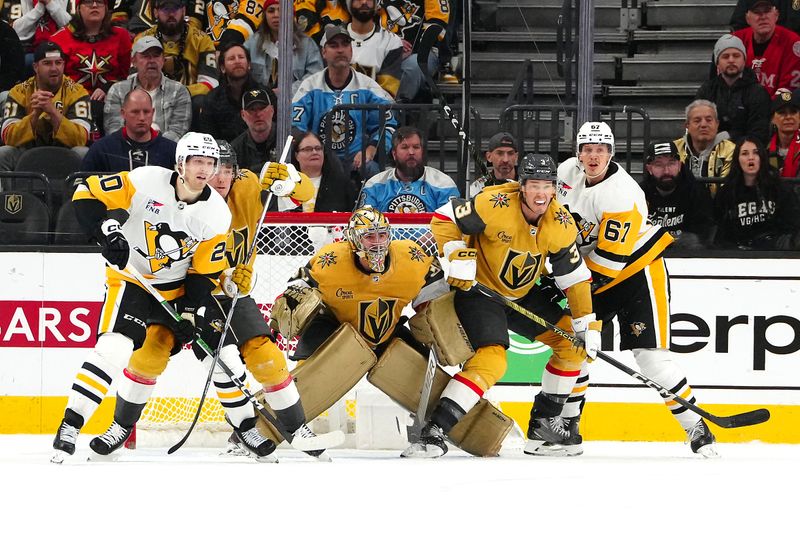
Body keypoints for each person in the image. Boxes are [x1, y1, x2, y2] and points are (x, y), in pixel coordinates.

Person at [126, 141, 319, 460]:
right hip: (184, 291)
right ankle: (120, 427)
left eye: (226, 170)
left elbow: (305, 193)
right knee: (157, 353)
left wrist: (289, 179)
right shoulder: (185, 197)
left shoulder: (249, 187)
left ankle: (297, 428)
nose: (218, 177)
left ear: (236, 172)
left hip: (231, 296)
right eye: (212, 169)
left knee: (264, 355)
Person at [51, 132, 232, 461]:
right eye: (197, 161)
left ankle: (121, 426)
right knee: (115, 347)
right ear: (180, 163)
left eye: (210, 162)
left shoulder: (217, 214)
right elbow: (85, 192)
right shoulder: (146, 179)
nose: (204, 169)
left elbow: (203, 272)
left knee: (152, 358)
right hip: (131, 278)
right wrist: (105, 231)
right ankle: (71, 424)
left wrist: (190, 311)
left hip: (176, 289)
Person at [406, 154, 600, 458]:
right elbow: (444, 218)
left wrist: (585, 322)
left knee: (572, 346)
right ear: (521, 186)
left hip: (522, 294)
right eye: (534, 185)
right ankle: (434, 431)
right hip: (479, 290)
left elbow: (574, 278)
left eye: (547, 186)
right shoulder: (493, 203)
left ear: (554, 189)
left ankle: (542, 429)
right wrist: (456, 253)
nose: (540, 194)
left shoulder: (561, 223)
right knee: (493, 361)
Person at [556, 121, 718, 458]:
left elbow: (609, 262)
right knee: (576, 346)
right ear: (578, 152)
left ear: (611, 153)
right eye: (587, 148)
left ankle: (695, 426)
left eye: (600, 149)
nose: (593, 156)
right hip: (590, 270)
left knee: (650, 358)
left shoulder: (622, 195)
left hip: (635, 273)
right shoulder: (566, 172)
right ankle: (568, 426)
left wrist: (565, 284)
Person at [292, 24, 397, 179]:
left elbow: (388, 125)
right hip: (318, 161)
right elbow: (295, 127)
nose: (340, 50)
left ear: (351, 50)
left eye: (345, 44)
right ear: (324, 52)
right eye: (334, 45)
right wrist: (313, 153)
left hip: (357, 162)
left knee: (373, 170)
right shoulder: (309, 87)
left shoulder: (368, 86)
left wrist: (370, 150)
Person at [0, 41, 90, 171]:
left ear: (64, 65)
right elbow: (9, 138)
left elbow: (80, 139)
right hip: (27, 151)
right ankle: (10, 192)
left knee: (83, 153)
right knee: (3, 153)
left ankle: (79, 191)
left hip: (65, 152)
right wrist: (35, 114)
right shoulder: (19, 92)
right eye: (47, 63)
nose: (54, 68)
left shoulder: (77, 92)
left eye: (58, 63)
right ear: (36, 67)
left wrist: (52, 112)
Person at [49, 0, 132, 135]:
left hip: (114, 100)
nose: (94, 5)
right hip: (72, 101)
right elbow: (53, 80)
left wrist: (108, 88)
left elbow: (126, 75)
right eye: (88, 2)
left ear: (106, 7)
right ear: (78, 8)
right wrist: (78, 94)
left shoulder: (121, 36)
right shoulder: (59, 39)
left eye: (99, 2)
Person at [134, 0, 219, 128]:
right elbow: (133, 80)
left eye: (176, 8)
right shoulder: (142, 39)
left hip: (190, 102)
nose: (171, 13)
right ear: (156, 12)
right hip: (151, 99)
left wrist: (177, 93)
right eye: (165, 8)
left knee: (201, 101)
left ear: (184, 11)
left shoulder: (202, 40)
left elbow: (210, 84)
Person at [714, 136, 800, 249]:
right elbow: (720, 235)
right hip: (738, 254)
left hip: (775, 251)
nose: (751, 158)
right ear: (737, 160)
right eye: (745, 153)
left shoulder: (780, 189)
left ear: (762, 157)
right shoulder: (726, 193)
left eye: (756, 153)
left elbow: (792, 226)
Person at [104, 36, 192, 143]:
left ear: (163, 60)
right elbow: (113, 130)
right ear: (134, 61)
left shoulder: (179, 91)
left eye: (156, 56)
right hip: (125, 151)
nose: (151, 61)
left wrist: (153, 148)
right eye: (145, 56)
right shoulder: (117, 90)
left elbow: (178, 132)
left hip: (165, 152)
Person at [358, 126, 459, 213]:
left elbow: (449, 225)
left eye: (416, 147)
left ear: (422, 151)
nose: (411, 152)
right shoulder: (374, 185)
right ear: (394, 154)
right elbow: (365, 224)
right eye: (405, 147)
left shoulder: (443, 184)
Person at [640, 141, 716, 249]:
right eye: (658, 165)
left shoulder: (697, 192)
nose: (666, 171)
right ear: (649, 169)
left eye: (671, 163)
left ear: (679, 165)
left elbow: (703, 235)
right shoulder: (639, 194)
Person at [696, 34, 770, 144]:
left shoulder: (758, 92)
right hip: (711, 151)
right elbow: (697, 125)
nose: (731, 60)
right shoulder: (707, 90)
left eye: (736, 56)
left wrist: (729, 137)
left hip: (746, 154)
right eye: (725, 56)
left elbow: (759, 133)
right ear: (717, 62)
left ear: (744, 60)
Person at [81, 88, 177, 172]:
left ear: (152, 113)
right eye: (135, 112)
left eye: (146, 112)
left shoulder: (172, 150)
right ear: (123, 113)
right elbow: (81, 186)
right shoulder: (102, 149)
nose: (142, 117)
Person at [243, 0, 323, 96]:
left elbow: (315, 76)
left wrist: (287, 91)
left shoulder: (307, 44)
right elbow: (241, 73)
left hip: (296, 102)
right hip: (258, 103)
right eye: (271, 11)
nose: (276, 15)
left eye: (281, 10)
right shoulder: (252, 42)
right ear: (265, 16)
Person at [380, 0, 450, 103]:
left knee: (412, 67)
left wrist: (412, 49)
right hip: (379, 48)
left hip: (420, 51)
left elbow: (436, 27)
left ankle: (393, 111)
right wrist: (391, 43)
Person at [198, 42, 267, 142]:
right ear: (222, 68)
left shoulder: (265, 95)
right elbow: (208, 137)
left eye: (241, 57)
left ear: (249, 65)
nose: (237, 61)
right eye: (231, 58)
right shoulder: (212, 99)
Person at [732, 0, 800, 96]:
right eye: (757, 12)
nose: (763, 17)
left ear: (776, 15)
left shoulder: (793, 42)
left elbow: (787, 90)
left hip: (778, 108)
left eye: (767, 11)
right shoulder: (736, 40)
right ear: (747, 18)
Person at [346, 0, 403, 98]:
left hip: (375, 109)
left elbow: (387, 95)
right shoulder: (331, 38)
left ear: (376, 4)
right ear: (349, 3)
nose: (364, 2)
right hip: (336, 107)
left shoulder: (391, 42)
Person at [674, 99, 736, 186]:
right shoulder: (674, 149)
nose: (703, 125)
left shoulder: (732, 150)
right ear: (687, 126)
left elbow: (727, 190)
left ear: (717, 124)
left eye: (709, 120)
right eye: (697, 120)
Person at [290, 130, 356, 212]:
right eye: (308, 149)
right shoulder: (287, 184)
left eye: (318, 148)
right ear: (296, 156)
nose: (314, 152)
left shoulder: (341, 184)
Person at [230, 87, 277, 174]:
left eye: (262, 108)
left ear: (272, 110)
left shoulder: (288, 140)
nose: (258, 114)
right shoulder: (235, 150)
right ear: (243, 115)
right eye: (252, 110)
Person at [12, 0, 71, 69]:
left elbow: (71, 28)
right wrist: (39, 9)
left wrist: (49, 4)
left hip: (62, 50)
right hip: (31, 50)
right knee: (24, 60)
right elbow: (15, 31)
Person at [469, 131, 519, 197]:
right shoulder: (478, 187)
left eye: (510, 153)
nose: (505, 159)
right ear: (489, 157)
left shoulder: (527, 184)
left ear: (516, 157)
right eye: (500, 153)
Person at [768, 88, 800, 176]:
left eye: (793, 112)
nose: (788, 117)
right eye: (782, 113)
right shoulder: (764, 150)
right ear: (772, 119)